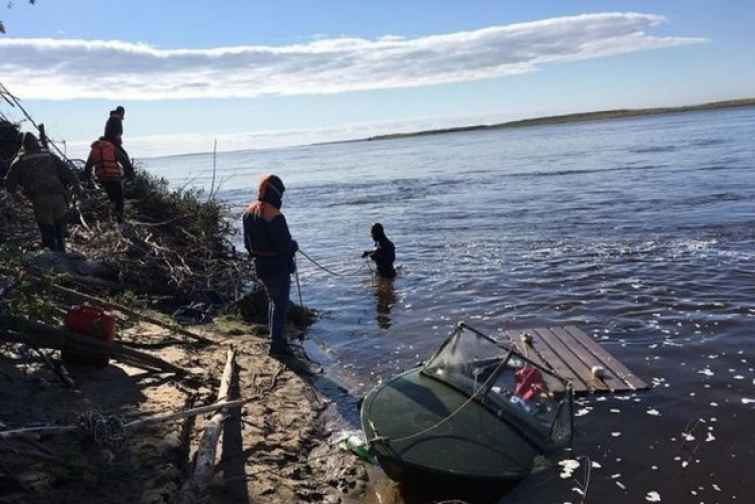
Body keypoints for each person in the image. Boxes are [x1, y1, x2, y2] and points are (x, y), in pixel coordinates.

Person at [243, 175, 299, 357]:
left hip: (261, 266)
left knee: (273, 302)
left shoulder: (248, 213)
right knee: (280, 306)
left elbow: (248, 246)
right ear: (275, 193)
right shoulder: (276, 216)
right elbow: (284, 246)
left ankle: (273, 338)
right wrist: (293, 246)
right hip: (278, 267)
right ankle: (277, 344)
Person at [5, 132, 81, 252]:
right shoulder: (49, 155)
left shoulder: (20, 160)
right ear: (37, 142)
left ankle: (54, 262)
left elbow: (9, 185)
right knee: (59, 231)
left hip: (40, 200)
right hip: (59, 198)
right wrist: (77, 188)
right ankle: (62, 255)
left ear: (24, 145)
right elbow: (69, 173)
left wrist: (18, 196)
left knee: (48, 232)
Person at [84, 136, 134, 223]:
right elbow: (124, 161)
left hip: (102, 178)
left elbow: (88, 167)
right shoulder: (111, 147)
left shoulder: (94, 150)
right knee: (119, 199)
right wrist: (129, 174)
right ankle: (119, 220)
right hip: (114, 177)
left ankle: (111, 216)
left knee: (111, 198)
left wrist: (88, 180)